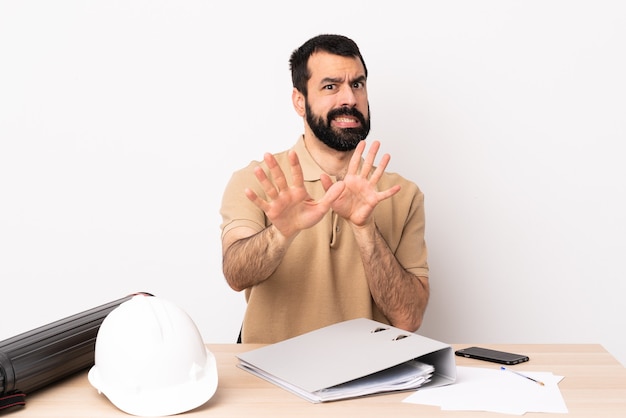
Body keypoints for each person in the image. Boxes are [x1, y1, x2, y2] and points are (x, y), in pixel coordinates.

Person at [220, 34, 429, 344]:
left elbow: (408, 318)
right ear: (299, 101)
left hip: (370, 377)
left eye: (357, 84)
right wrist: (281, 233)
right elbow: (236, 277)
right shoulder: (257, 179)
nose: (349, 99)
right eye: (331, 87)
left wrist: (365, 228)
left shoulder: (401, 193)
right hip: (272, 378)